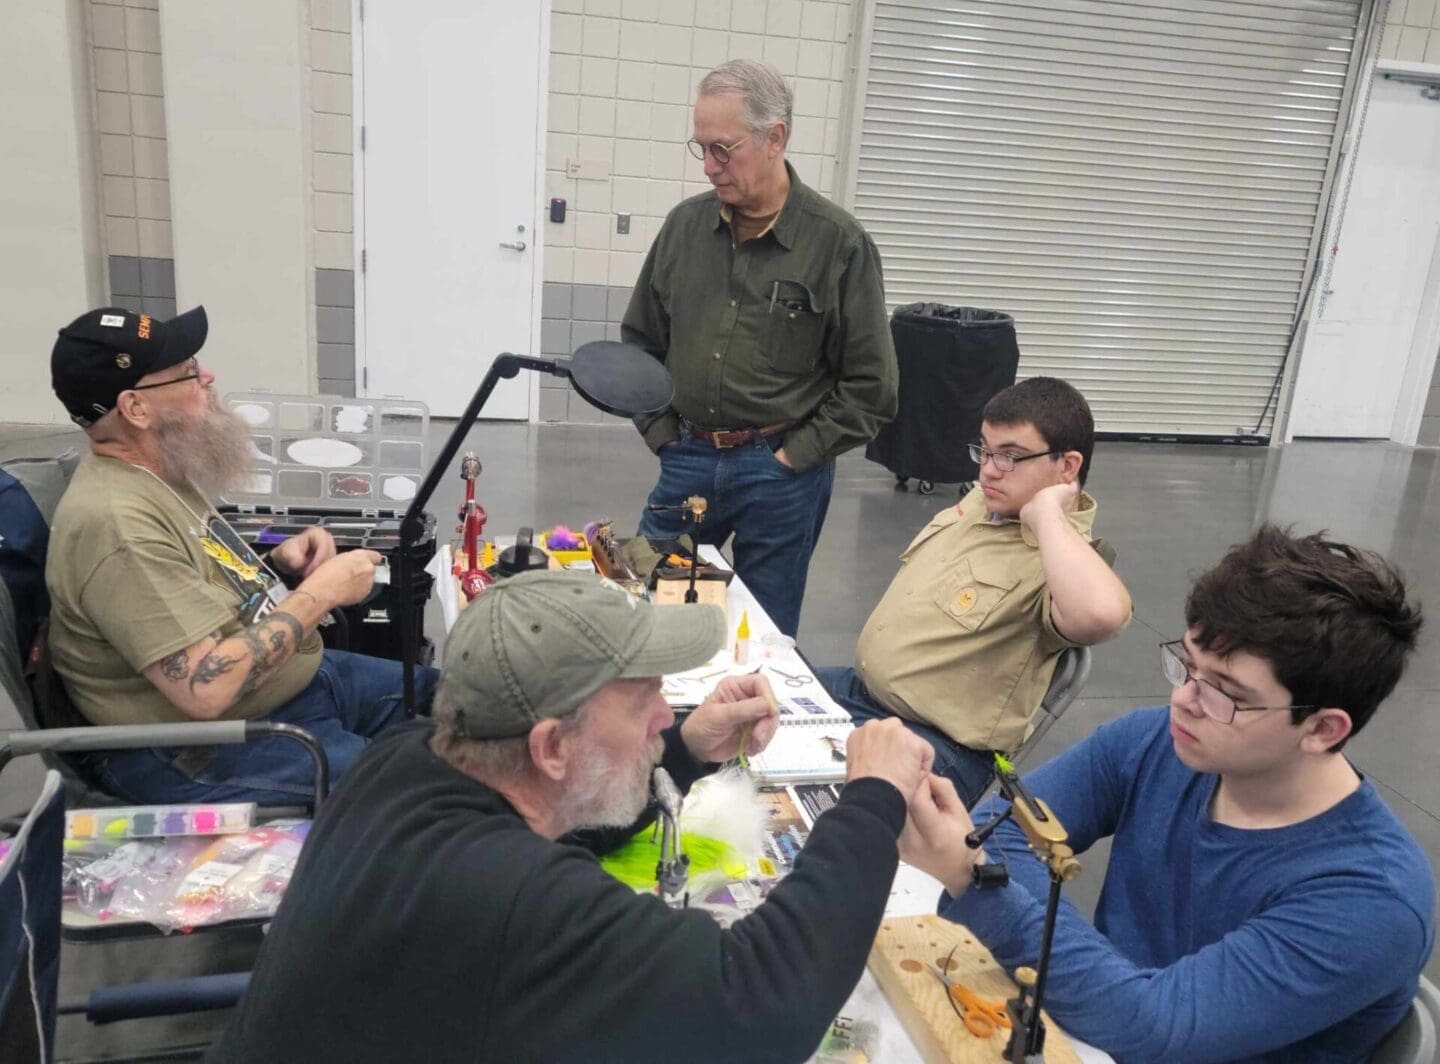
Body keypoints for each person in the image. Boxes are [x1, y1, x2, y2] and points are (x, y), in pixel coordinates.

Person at [212, 572, 935, 1063]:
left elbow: (570, 814)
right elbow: (763, 1005)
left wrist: (679, 749)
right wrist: (870, 801)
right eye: (645, 695)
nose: (666, 708)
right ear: (551, 745)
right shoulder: (515, 899)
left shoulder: (404, 760)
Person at [898, 526, 1434, 1062]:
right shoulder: (1162, 742)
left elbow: (1157, 1032)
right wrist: (1110, 990)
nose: (1184, 700)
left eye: (1225, 693)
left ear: (1322, 730)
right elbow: (1005, 827)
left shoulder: (1368, 900)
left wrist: (977, 881)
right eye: (1189, 664)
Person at [44, 305, 438, 804]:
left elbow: (188, 590)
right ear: (135, 409)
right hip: (202, 747)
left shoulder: (157, 475)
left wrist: (279, 568)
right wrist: (320, 595)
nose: (208, 378)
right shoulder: (116, 522)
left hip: (286, 688)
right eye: (188, 373)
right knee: (428, 793)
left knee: (465, 701)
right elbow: (204, 690)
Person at [623, 58, 898, 638]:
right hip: (687, 456)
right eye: (700, 148)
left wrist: (794, 458)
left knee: (762, 638)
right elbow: (640, 343)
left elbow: (872, 386)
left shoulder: (838, 244)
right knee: (650, 619)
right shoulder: (683, 228)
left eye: (723, 149)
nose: (709, 167)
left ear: (777, 137)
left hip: (781, 472)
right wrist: (664, 435)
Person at [816, 377, 1131, 805]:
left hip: (937, 745)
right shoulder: (988, 502)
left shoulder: (1060, 559)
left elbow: (1102, 614)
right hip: (861, 694)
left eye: (1012, 456)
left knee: (815, 815)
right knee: (734, 706)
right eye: (984, 449)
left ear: (1068, 466)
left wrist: (1046, 514)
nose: (988, 469)